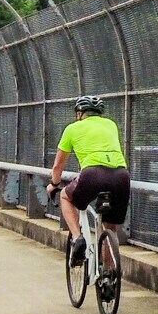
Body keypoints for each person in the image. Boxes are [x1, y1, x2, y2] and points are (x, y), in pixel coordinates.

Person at [46, 94, 132, 262]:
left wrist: (53, 184)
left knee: (65, 196)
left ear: (79, 114)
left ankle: (78, 238)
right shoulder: (111, 124)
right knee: (110, 227)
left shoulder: (72, 128)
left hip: (93, 175)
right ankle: (110, 272)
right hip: (121, 176)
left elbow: (58, 166)